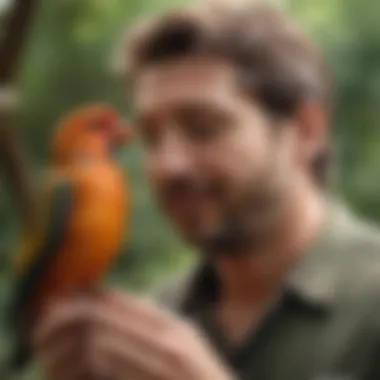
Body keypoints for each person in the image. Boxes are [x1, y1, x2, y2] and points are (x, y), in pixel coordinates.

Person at [32, 2, 380, 380]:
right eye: (151, 137)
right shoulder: (149, 325)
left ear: (305, 132)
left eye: (204, 128)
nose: (169, 165)